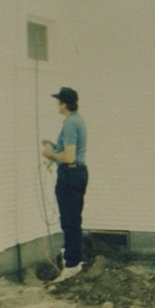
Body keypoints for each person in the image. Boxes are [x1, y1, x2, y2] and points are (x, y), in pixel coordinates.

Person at [42, 87, 88, 283]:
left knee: (69, 221)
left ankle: (71, 265)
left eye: (58, 101)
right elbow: (70, 151)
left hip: (69, 174)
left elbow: (68, 157)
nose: (56, 105)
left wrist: (49, 153)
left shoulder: (70, 123)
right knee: (73, 219)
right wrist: (56, 147)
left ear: (63, 104)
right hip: (78, 172)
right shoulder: (78, 120)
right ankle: (73, 260)